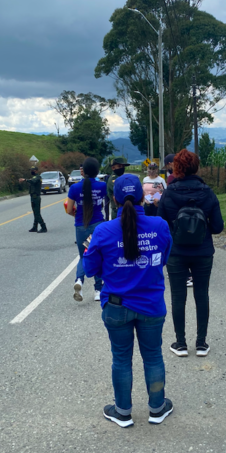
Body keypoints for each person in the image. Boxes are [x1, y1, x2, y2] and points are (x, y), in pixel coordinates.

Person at [83, 174, 174, 428]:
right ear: (144, 198)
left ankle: (122, 411)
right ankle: (157, 407)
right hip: (151, 305)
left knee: (121, 359)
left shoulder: (102, 231)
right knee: (153, 356)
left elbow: (90, 269)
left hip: (116, 306)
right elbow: (165, 257)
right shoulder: (160, 226)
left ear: (114, 200)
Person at [157, 149, 223, 357]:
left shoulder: (169, 193)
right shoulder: (208, 192)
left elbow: (160, 225)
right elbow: (218, 226)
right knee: (202, 295)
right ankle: (201, 344)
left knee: (178, 297)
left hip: (176, 252)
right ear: (196, 167)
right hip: (203, 251)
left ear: (176, 168)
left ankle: (181, 343)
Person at [65, 158, 106, 302]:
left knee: (83, 256)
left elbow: (69, 209)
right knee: (98, 256)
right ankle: (98, 290)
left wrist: (76, 215)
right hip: (97, 226)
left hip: (81, 226)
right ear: (97, 171)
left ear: (83, 171)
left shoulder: (74, 188)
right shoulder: (102, 186)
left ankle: (79, 281)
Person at [20, 165, 47, 233]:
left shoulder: (38, 177)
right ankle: (35, 227)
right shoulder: (33, 177)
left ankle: (43, 227)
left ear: (36, 171)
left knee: (37, 213)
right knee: (35, 213)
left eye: (33, 170)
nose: (31, 171)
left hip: (36, 197)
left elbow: (33, 181)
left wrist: (25, 180)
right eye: (31, 170)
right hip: (33, 197)